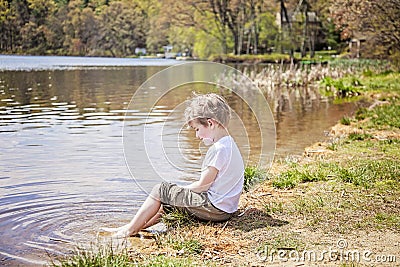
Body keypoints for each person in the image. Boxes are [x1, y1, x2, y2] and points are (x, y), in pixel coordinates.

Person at [102, 93, 244, 238]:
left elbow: (203, 186)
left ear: (211, 123)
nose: (197, 136)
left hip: (215, 209)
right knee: (168, 204)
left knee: (160, 190)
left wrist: (177, 190)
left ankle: (129, 231)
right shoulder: (229, 144)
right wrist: (175, 195)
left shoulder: (218, 149)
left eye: (197, 129)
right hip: (225, 208)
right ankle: (134, 227)